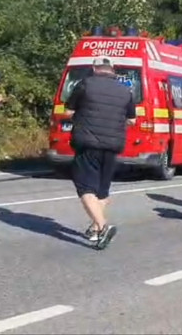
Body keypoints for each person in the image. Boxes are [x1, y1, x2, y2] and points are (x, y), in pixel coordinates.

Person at [64, 56, 136, 250]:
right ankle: (96, 227)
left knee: (85, 187)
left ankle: (103, 226)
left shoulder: (84, 84)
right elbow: (132, 120)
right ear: (112, 70)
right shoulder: (125, 91)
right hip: (113, 145)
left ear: (95, 69)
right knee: (102, 190)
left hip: (87, 143)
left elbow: (69, 112)